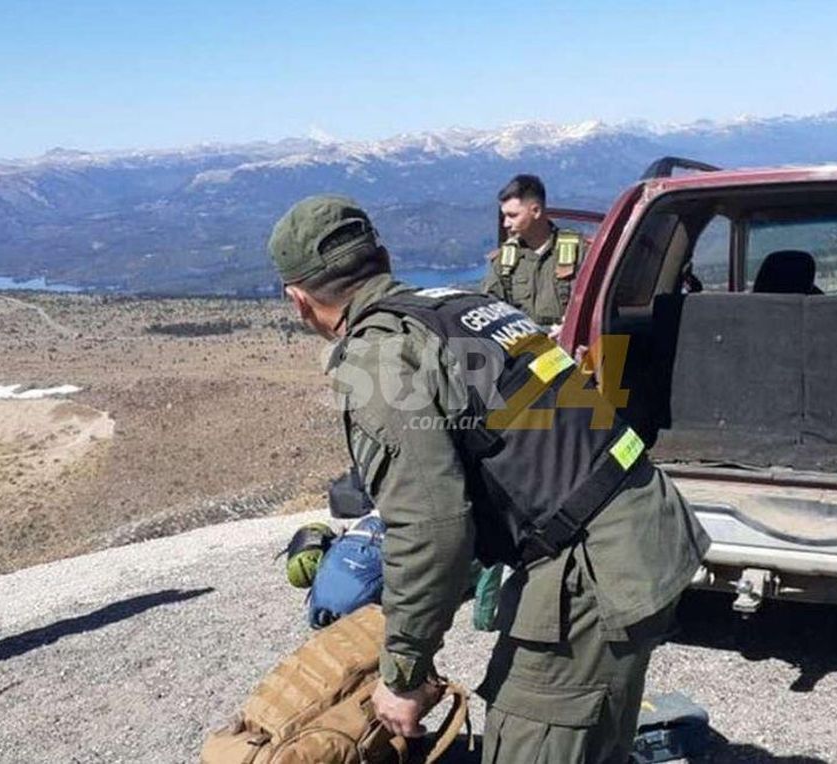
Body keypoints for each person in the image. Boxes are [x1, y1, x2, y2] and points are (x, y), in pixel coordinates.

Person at [268, 196, 709, 763]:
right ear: (382, 256)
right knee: (595, 734)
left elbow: (430, 529)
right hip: (648, 524)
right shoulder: (468, 307)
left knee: (531, 739)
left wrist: (402, 675)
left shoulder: (378, 358)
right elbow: (521, 449)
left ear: (299, 300)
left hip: (595, 568)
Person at [479, 174, 586, 328]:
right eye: (504, 216)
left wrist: (568, 327)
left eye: (512, 216)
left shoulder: (579, 252)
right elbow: (489, 309)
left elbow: (596, 307)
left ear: (535, 211)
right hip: (522, 346)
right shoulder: (504, 261)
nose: (506, 224)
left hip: (568, 345)